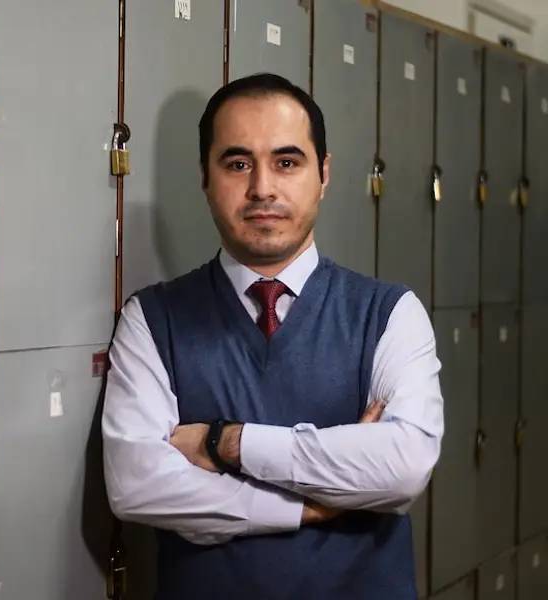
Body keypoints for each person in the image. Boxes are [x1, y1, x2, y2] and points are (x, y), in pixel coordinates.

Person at [101, 73, 443, 599]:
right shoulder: (152, 320)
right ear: (205, 177)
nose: (262, 187)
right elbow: (136, 485)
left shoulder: (389, 313)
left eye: (287, 162)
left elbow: (403, 466)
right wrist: (308, 505)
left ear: (323, 174)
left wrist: (227, 442)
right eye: (238, 164)